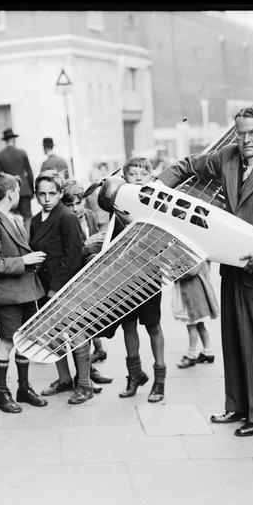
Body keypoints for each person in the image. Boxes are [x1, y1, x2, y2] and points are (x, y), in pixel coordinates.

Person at [157, 103, 253, 436]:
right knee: (234, 339)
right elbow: (186, 165)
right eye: (241, 133)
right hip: (232, 268)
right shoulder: (226, 157)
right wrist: (157, 186)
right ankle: (238, 407)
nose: (246, 140)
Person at [97, 157, 168, 403]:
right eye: (132, 173)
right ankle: (135, 375)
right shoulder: (117, 210)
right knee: (128, 326)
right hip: (124, 277)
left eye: (143, 173)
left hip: (148, 275)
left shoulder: (156, 206)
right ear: (124, 178)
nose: (138, 177)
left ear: (151, 178)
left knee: (153, 326)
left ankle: (159, 380)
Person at [0, 172, 48, 414]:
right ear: (10, 193)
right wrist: (24, 260)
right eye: (17, 191)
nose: (20, 195)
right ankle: (1, 393)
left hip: (24, 291)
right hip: (6, 295)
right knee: (8, 341)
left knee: (25, 340)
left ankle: (23, 388)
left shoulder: (10, 218)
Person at [29, 170, 97, 404]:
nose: (46, 199)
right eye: (41, 194)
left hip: (67, 286)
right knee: (53, 335)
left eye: (51, 193)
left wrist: (56, 287)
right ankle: (65, 378)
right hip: (45, 287)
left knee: (77, 332)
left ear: (59, 193)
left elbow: (73, 255)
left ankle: (85, 384)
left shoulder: (66, 217)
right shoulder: (37, 221)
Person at [61, 183, 113, 378]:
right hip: (72, 277)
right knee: (75, 329)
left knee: (89, 325)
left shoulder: (89, 215)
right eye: (70, 204)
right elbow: (69, 253)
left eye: (78, 203)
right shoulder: (65, 220)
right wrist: (87, 245)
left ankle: (89, 369)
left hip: (89, 276)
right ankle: (81, 374)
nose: (75, 208)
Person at [172, 260, 219, 368]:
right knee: (200, 325)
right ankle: (208, 353)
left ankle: (191, 355)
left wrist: (174, 273)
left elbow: (191, 271)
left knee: (191, 325)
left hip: (193, 295)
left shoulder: (196, 254)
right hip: (194, 294)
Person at [0, 128, 35, 231]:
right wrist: (32, 189)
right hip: (25, 190)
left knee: (12, 217)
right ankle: (27, 242)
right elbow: (29, 172)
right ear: (14, 139)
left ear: (5, 140)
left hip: (10, 191)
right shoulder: (22, 153)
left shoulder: (0, 156)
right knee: (27, 217)